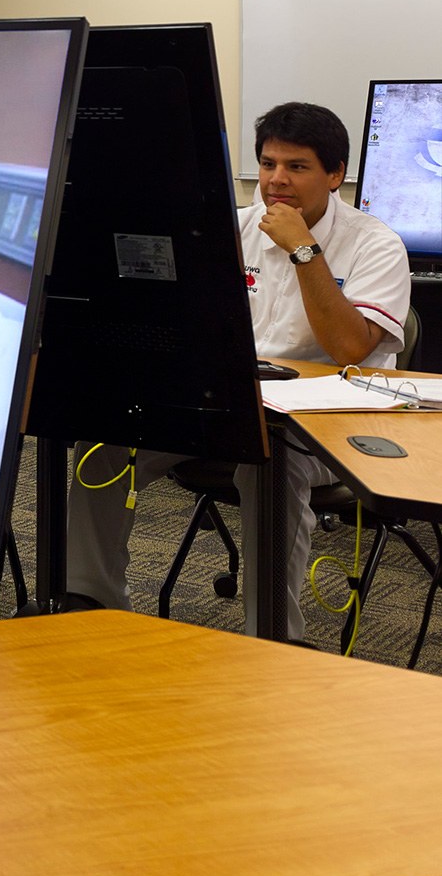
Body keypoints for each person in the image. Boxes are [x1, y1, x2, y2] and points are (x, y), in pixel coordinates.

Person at [66, 101, 411, 637]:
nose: (276, 180)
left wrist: (303, 249)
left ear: (335, 175)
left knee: (267, 463)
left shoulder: (376, 245)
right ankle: (92, 602)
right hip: (228, 403)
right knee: (104, 446)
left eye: (296, 167)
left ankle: (272, 635)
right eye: (269, 164)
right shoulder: (229, 230)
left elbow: (347, 347)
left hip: (328, 426)